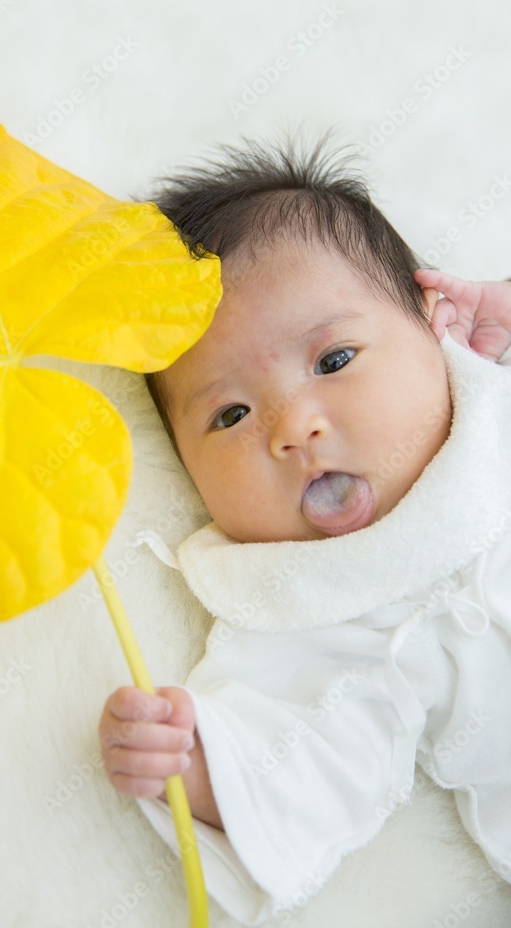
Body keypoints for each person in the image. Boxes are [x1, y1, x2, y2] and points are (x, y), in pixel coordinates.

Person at [97, 137, 511, 924]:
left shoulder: (494, 407)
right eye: (230, 414)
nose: (292, 428)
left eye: (333, 360)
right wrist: (194, 762)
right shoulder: (307, 610)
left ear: (434, 325)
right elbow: (300, 752)